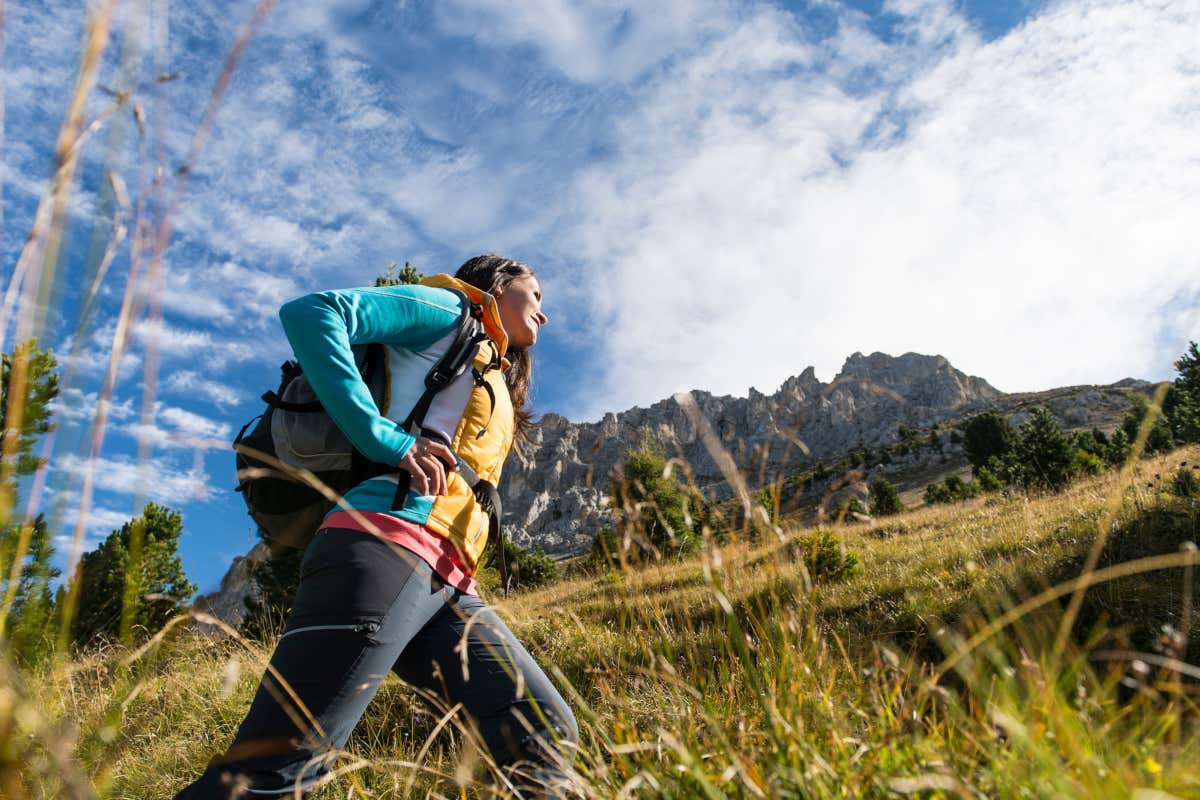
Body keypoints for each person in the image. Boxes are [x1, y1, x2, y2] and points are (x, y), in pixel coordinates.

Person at [175, 255, 577, 799]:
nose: (544, 314)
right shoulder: (449, 309)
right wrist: (381, 437)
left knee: (540, 733)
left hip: (448, 583)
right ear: (499, 287)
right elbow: (314, 312)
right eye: (537, 295)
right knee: (276, 773)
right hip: (383, 543)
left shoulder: (489, 366)